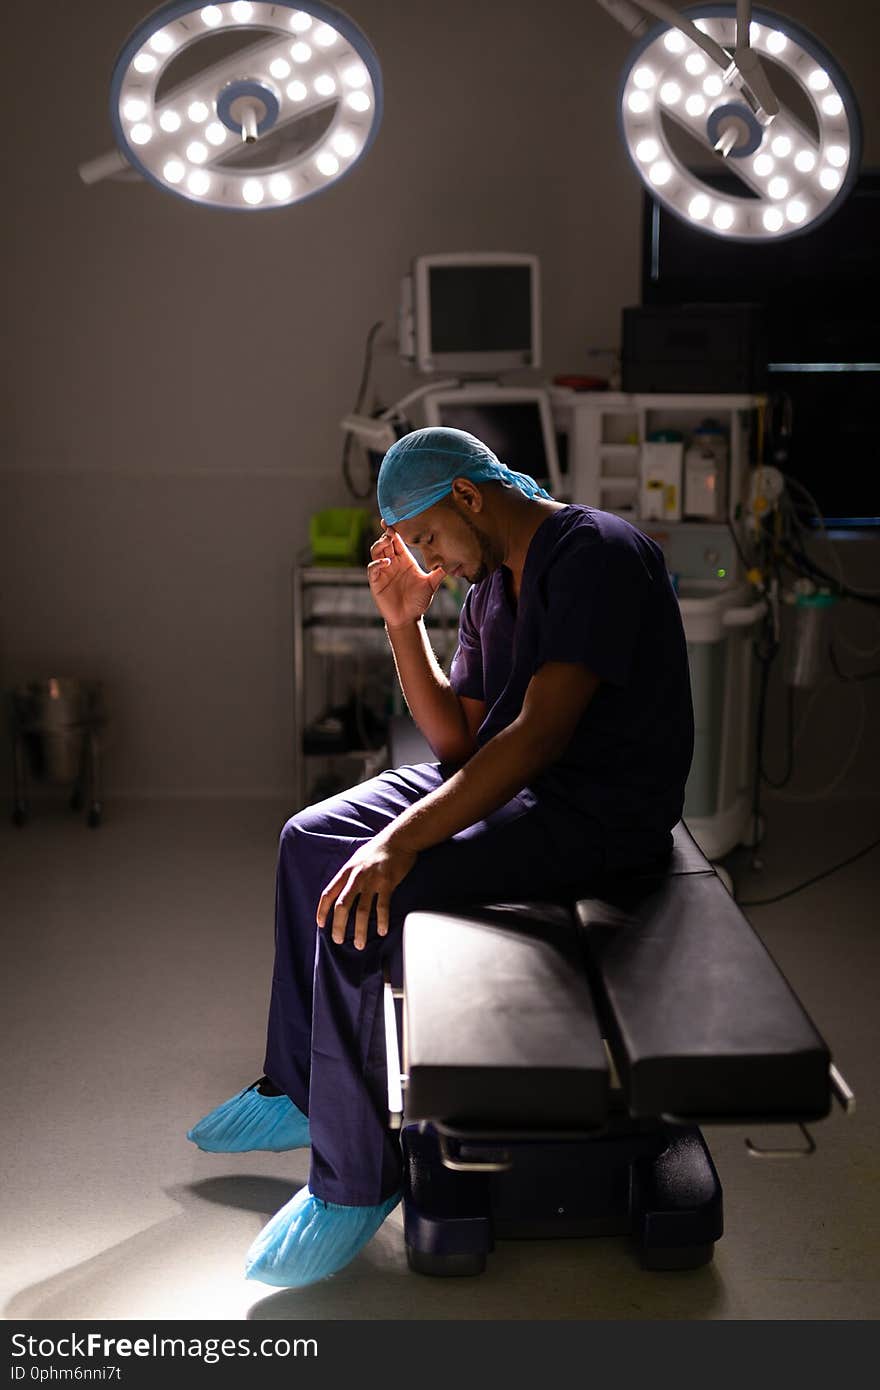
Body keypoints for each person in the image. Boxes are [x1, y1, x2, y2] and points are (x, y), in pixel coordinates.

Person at [187, 426, 694, 1288]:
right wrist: (402, 625)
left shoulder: (596, 553)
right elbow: (460, 739)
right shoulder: (494, 585)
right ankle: (302, 1091)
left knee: (372, 888)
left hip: (597, 810)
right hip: (515, 784)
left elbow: (537, 737)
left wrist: (399, 840)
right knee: (309, 840)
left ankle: (355, 1180)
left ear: (468, 497)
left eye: (427, 540)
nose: (433, 561)